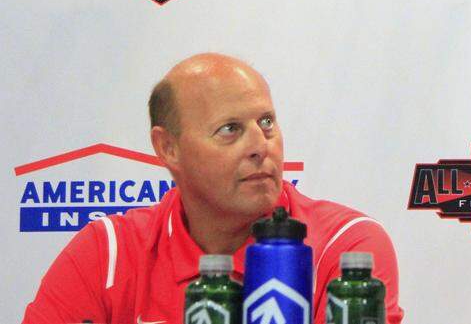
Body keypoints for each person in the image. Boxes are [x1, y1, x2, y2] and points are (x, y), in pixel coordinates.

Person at [22, 53, 403, 324]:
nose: (260, 145)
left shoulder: (346, 249)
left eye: (267, 122)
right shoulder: (107, 253)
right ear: (168, 148)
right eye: (230, 129)